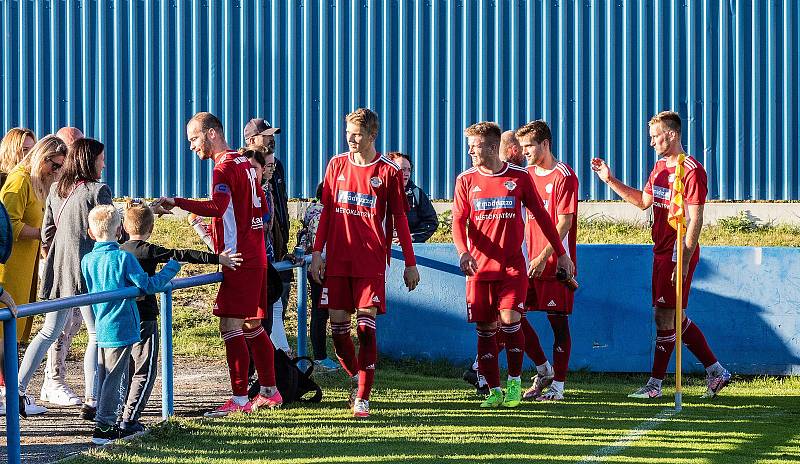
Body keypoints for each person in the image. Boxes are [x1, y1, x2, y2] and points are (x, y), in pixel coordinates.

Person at [590, 110, 731, 399]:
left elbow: (695, 219)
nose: (652, 142)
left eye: (656, 137)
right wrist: (610, 180)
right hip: (660, 250)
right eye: (651, 137)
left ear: (672, 134)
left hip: (677, 252)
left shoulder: (691, 170)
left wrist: (684, 257)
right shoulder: (658, 168)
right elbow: (644, 202)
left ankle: (655, 385)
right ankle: (716, 371)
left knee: (664, 317)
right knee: (672, 316)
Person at [158, 112, 282, 416]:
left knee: (230, 325)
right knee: (252, 324)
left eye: (194, 139)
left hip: (238, 258)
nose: (192, 147)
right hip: (255, 256)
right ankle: (270, 391)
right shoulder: (246, 162)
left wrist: (177, 202)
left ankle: (240, 400)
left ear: (212, 133)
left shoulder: (225, 166)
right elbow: (264, 212)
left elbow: (217, 207)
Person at [452, 121, 574, 408]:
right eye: (469, 144)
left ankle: (515, 383)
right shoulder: (465, 180)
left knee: (510, 321)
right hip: (479, 270)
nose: (470, 150)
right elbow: (458, 220)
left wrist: (562, 253)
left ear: (493, 147)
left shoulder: (518, 177)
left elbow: (544, 218)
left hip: (512, 268)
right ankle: (493, 390)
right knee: (485, 329)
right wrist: (462, 252)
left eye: (475, 145)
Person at [309, 108, 420, 418]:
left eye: (357, 133)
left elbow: (399, 217)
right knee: (339, 333)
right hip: (338, 261)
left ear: (373, 135)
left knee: (366, 329)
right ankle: (358, 376)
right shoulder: (336, 165)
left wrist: (410, 263)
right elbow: (328, 212)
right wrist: (318, 253)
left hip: (370, 262)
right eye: (348, 133)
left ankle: (362, 398)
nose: (351, 139)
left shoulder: (388, 171)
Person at [119, 202, 242, 433]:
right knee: (145, 370)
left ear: (125, 226)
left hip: (123, 318)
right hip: (145, 317)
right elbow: (183, 254)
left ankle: (118, 416)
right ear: (151, 229)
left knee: (125, 369)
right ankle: (130, 419)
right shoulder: (148, 250)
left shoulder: (118, 251)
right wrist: (219, 259)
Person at [17, 137, 108, 419]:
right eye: (101, 159)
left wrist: (58, 254)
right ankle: (92, 399)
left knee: (48, 332)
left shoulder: (56, 189)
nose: (104, 164)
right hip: (88, 272)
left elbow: (46, 234)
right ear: (89, 160)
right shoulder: (98, 191)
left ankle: (17, 389)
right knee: (95, 333)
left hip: (58, 270)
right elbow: (108, 230)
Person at [81, 205, 181, 444]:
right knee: (115, 377)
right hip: (123, 324)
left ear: (91, 233)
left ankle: (108, 422)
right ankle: (104, 426)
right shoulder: (123, 258)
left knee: (106, 375)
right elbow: (148, 285)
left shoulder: (88, 259)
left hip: (102, 322)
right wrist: (171, 268)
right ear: (119, 232)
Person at [0, 135, 66, 415]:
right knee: (5, 333)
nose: (56, 172)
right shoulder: (19, 180)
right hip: (9, 267)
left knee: (13, 332)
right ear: (43, 157)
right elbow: (7, 225)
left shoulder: (38, 183)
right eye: (54, 165)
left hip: (25, 267)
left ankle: (11, 395)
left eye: (60, 167)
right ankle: (11, 396)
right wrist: (42, 234)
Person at [514, 120, 579, 402]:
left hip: (555, 265)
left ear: (545, 144)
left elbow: (563, 223)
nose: (525, 150)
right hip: (527, 262)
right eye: (523, 146)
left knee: (558, 325)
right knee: (512, 317)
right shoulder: (525, 174)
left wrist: (543, 256)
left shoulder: (564, 176)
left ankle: (558, 387)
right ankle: (544, 369)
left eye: (529, 145)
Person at [40, 126, 87, 407]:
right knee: (57, 325)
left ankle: (53, 380)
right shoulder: (54, 182)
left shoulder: (76, 183)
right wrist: (52, 257)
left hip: (75, 263)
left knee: (74, 323)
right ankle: (51, 379)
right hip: (59, 265)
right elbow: (48, 230)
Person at [244, 118, 291, 333]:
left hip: (276, 246)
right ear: (252, 139)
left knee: (277, 306)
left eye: (272, 136)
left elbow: (280, 203)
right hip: (253, 254)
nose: (272, 140)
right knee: (255, 319)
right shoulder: (243, 165)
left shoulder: (277, 166)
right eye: (267, 136)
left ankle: (276, 351)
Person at [299, 183, 339, 372]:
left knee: (322, 312)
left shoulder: (316, 211)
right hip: (320, 270)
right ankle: (320, 357)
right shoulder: (320, 215)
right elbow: (319, 246)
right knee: (320, 312)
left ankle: (322, 356)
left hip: (321, 268)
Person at [386, 152, 439, 243]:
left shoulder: (417, 194)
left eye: (409, 170)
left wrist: (412, 238)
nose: (406, 173)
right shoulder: (377, 192)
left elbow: (431, 222)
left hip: (410, 249)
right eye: (402, 169)